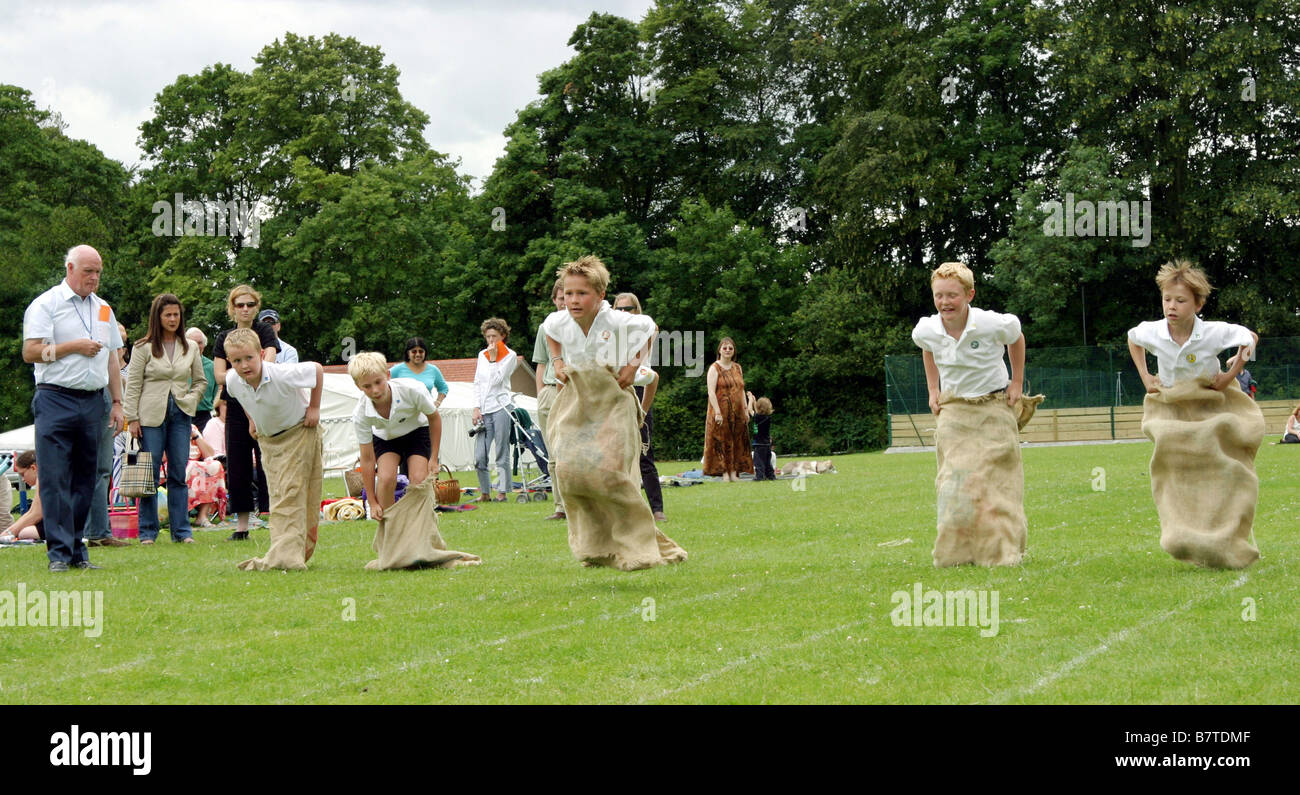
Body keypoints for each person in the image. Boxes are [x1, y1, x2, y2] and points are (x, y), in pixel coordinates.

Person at [542, 255, 686, 570]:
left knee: (610, 475)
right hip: (579, 400)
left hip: (614, 401)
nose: (573, 300)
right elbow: (549, 331)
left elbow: (651, 327)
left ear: (600, 296)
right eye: (568, 294)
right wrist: (557, 362)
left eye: (582, 294)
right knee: (568, 472)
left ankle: (639, 548)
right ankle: (596, 547)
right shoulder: (560, 321)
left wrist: (634, 364)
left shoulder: (619, 321)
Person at [1127, 260, 1262, 569]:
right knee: (1175, 469)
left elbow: (1249, 338)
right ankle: (1182, 534)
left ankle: (1229, 537)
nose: (1171, 306)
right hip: (1172, 406)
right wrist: (1146, 377)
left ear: (1198, 304)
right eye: (1167, 299)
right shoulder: (1153, 331)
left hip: (1211, 404)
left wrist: (1231, 376)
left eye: (1181, 300)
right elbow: (1133, 339)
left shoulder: (1214, 333)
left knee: (1222, 469)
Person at [913, 260, 1034, 567]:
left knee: (996, 480)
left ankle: (1004, 551)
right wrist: (933, 389)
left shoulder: (993, 323)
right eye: (939, 295)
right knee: (955, 479)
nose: (944, 302)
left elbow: (1016, 338)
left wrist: (1016, 382)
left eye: (952, 295)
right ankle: (956, 553)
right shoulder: (926, 328)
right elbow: (927, 347)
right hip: (954, 410)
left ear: (970, 294)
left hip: (994, 406)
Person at [21, 245, 125, 571]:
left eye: (98, 272)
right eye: (87, 271)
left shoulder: (104, 309)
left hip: (94, 401)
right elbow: (31, 352)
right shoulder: (46, 304)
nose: (93, 278)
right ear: (69, 268)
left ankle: (78, 550)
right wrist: (73, 347)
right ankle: (58, 554)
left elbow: (111, 357)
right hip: (54, 398)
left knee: (87, 479)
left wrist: (118, 402)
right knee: (54, 478)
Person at [222, 328, 324, 571]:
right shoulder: (232, 380)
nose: (244, 365)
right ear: (229, 361)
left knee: (292, 493)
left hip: (298, 433)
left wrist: (314, 408)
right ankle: (287, 551)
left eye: (249, 358)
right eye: (237, 360)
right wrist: (252, 420)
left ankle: (287, 556)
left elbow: (317, 370)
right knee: (279, 494)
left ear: (261, 354)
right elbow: (242, 399)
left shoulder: (282, 373)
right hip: (269, 442)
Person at [124, 294, 206, 545]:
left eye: (176, 314)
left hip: (180, 415)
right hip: (150, 417)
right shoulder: (142, 347)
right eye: (167, 315)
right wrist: (132, 418)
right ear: (157, 317)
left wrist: (191, 401)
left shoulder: (190, 347)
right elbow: (133, 384)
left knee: (178, 473)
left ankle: (182, 532)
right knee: (147, 472)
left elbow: (201, 381)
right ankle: (147, 532)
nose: (172, 319)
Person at [212, 285, 279, 540]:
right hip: (236, 405)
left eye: (250, 304)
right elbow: (218, 375)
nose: (245, 309)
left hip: (263, 402)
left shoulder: (264, 331)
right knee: (238, 464)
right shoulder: (223, 337)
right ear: (232, 308)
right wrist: (245, 373)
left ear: (256, 307)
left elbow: (269, 363)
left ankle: (274, 517)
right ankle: (241, 527)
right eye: (240, 305)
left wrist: (237, 372)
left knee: (269, 460)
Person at [348, 352, 442, 520]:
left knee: (419, 480)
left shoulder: (413, 389)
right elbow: (367, 459)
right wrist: (372, 501)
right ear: (358, 386)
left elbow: (434, 418)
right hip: (386, 439)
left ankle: (421, 527)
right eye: (367, 386)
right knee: (385, 479)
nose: (375, 390)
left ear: (388, 375)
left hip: (416, 432)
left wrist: (433, 459)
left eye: (378, 382)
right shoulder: (360, 414)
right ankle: (391, 530)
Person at [613, 292, 666, 521]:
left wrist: (642, 412)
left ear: (637, 310)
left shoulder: (645, 329)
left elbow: (652, 329)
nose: (625, 313)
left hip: (640, 388)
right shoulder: (610, 334)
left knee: (644, 451)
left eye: (629, 309)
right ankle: (622, 508)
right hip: (616, 390)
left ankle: (657, 508)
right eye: (620, 309)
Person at [534, 278, 569, 520]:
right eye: (560, 298)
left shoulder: (586, 326)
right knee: (554, 455)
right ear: (555, 300)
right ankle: (560, 507)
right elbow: (541, 363)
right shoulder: (545, 328)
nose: (565, 302)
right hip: (549, 392)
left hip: (575, 390)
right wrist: (540, 395)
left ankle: (581, 504)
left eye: (568, 297)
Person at [472, 318, 518, 502]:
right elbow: (478, 383)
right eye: (488, 336)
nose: (491, 341)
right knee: (480, 455)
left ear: (503, 336)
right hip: (484, 408)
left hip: (501, 406)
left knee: (501, 450)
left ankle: (502, 492)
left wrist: (493, 359)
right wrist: (476, 407)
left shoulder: (510, 356)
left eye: (495, 337)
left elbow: (497, 380)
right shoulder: (481, 354)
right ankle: (485, 492)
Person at [703, 337, 754, 481]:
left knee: (737, 442)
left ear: (734, 351)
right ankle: (724, 473)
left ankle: (734, 472)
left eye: (730, 348)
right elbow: (711, 392)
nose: (727, 350)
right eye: (724, 348)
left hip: (737, 412)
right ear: (719, 350)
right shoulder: (714, 368)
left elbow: (741, 389)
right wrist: (717, 412)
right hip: (720, 411)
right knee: (722, 442)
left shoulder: (737, 368)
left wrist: (745, 409)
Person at [390, 337, 449, 410]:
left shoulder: (433, 370)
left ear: (425, 352)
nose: (418, 354)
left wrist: (438, 402)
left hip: (427, 414)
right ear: (408, 353)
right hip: (404, 414)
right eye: (414, 351)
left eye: (421, 351)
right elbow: (384, 384)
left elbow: (443, 388)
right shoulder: (397, 369)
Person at [186, 423, 226, 527]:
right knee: (196, 468)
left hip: (195, 466)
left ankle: (202, 516)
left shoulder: (192, 427)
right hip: (172, 465)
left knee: (214, 466)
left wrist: (195, 436)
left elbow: (209, 454)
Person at [1, 451, 44, 542]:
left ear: (33, 468)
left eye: (22, 474)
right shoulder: (42, 478)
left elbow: (36, 514)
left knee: (25, 532)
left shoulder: (44, 478)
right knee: (23, 530)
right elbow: (32, 512)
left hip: (65, 523)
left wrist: (8, 533)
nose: (23, 479)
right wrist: (8, 532)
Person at [187, 327, 219, 430]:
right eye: (193, 342)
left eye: (200, 342)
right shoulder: (178, 365)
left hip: (204, 417)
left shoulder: (212, 367)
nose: (196, 346)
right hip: (182, 415)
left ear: (204, 345)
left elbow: (217, 393)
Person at [747, 393, 776, 481]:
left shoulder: (757, 417)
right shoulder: (767, 418)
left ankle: (759, 477)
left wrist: (750, 400)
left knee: (758, 461)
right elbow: (756, 411)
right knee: (767, 461)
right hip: (767, 444)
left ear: (759, 408)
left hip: (759, 444)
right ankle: (771, 476)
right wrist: (755, 401)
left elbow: (749, 410)